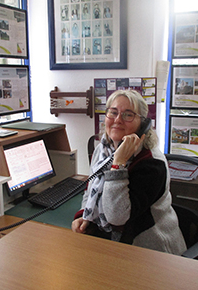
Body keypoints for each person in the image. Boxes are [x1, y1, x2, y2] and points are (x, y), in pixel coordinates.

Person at [71, 90, 186, 255]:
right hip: (112, 241)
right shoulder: (103, 149)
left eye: (128, 115)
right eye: (113, 112)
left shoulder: (152, 164)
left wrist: (118, 165)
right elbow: (90, 190)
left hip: (149, 250)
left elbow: (117, 217)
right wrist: (85, 215)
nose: (118, 120)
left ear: (143, 124)